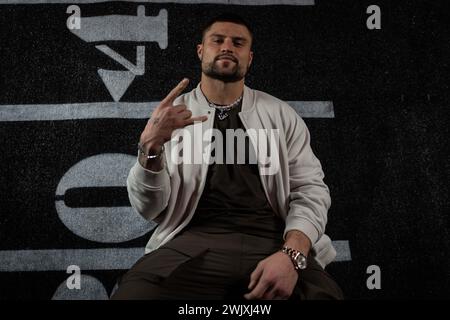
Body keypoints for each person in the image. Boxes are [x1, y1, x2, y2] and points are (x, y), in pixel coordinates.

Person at [111, 13, 343, 300]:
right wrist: (150, 148)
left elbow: (310, 190)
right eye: (217, 40)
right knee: (133, 296)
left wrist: (291, 255)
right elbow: (149, 209)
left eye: (238, 42)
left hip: (273, 241)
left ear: (250, 56)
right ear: (201, 50)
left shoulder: (280, 114)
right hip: (191, 242)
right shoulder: (172, 116)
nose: (227, 47)